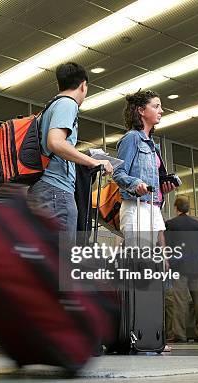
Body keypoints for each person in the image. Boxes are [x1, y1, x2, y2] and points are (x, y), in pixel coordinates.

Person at [112, 89, 176, 351]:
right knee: (137, 270)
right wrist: (135, 183)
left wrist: (165, 186)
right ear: (141, 111)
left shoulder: (154, 145)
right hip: (135, 207)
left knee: (154, 270)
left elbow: (156, 182)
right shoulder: (131, 139)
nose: (161, 110)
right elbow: (118, 172)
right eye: (157, 106)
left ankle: (150, 331)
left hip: (153, 208)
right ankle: (132, 330)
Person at [27, 62, 113, 246]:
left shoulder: (50, 107)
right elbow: (56, 142)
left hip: (42, 189)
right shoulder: (67, 104)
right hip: (56, 191)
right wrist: (93, 161)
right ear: (83, 85)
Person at [164, 196, 198, 343]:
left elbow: (168, 248)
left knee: (180, 304)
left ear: (176, 208)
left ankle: (180, 335)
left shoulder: (170, 225)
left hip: (179, 268)